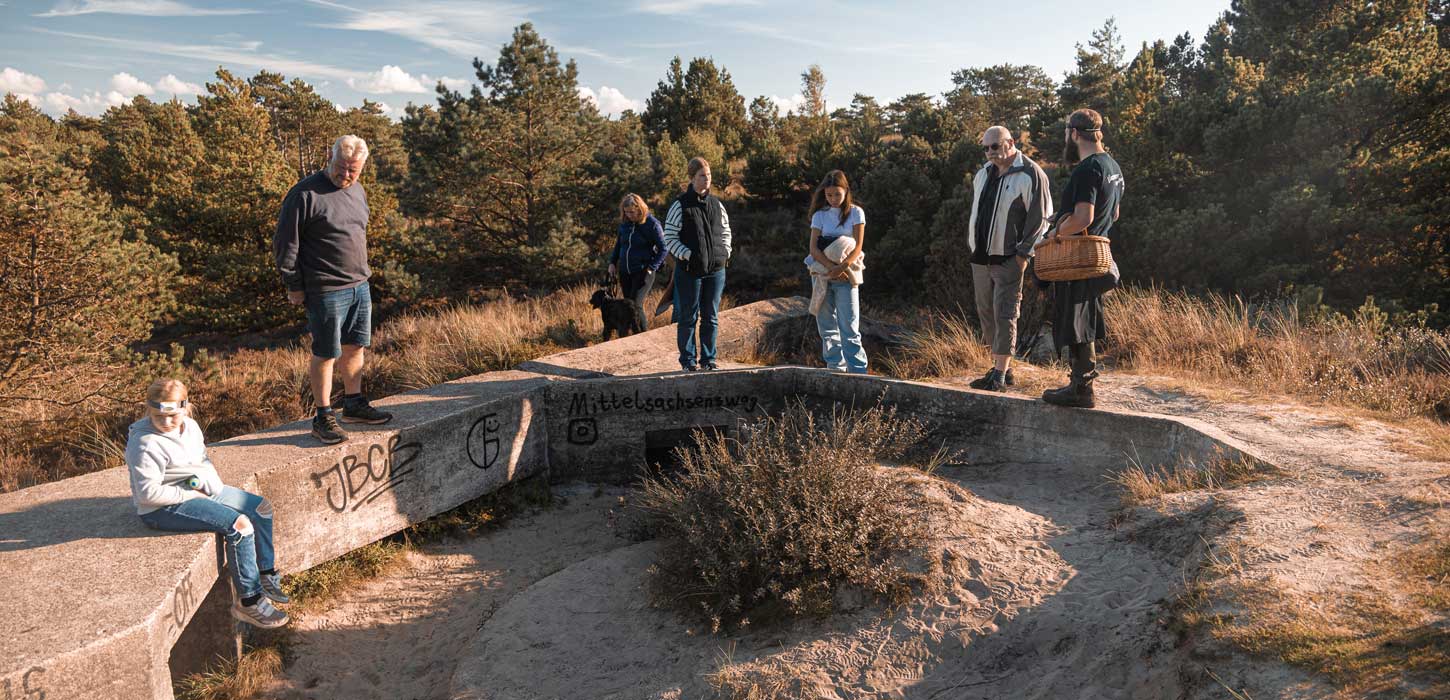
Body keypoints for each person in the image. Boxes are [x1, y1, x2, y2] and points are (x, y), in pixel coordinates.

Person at [126, 379, 290, 629]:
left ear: (185, 408)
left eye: (174, 415)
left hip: (194, 487)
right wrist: (192, 494)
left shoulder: (190, 427)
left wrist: (210, 484)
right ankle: (249, 601)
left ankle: (265, 573)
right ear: (149, 410)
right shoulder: (144, 443)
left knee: (260, 508)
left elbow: (202, 461)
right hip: (162, 508)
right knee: (239, 526)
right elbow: (147, 494)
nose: (167, 422)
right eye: (159, 416)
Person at [274, 134, 393, 444]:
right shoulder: (304, 194)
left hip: (359, 285)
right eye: (341, 168)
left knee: (355, 347)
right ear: (331, 158)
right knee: (326, 353)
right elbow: (286, 245)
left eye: (353, 170)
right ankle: (323, 416)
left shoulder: (358, 191)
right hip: (325, 289)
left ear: (362, 167)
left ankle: (353, 404)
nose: (346, 175)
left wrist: (362, 278)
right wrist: (293, 285)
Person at [1040, 108, 1124, 409]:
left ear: (1074, 133)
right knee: (1085, 316)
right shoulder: (1112, 165)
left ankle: (1081, 389)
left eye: (1067, 132)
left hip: (1077, 256)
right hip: (1097, 256)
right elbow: (1113, 213)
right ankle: (1081, 384)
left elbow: (1083, 217)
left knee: (1074, 319)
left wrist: (1055, 233)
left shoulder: (1087, 169)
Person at [966, 126, 1053, 391]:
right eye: (985, 147)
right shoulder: (983, 173)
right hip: (980, 257)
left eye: (994, 146)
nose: (989, 152)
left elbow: (1041, 219)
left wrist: (1023, 255)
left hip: (1009, 259)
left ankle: (1000, 376)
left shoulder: (1030, 173)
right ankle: (1002, 366)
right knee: (986, 313)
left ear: (1010, 143)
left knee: (1005, 313)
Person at [662, 157, 732, 371]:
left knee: (711, 317)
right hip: (690, 271)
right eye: (702, 176)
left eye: (709, 175)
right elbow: (669, 237)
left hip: (716, 271)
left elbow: (726, 230)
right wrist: (687, 255)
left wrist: (725, 252)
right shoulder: (680, 205)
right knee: (688, 317)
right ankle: (688, 361)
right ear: (692, 178)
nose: (707, 180)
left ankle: (709, 360)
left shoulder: (716, 204)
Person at [804, 170, 869, 374]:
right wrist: (832, 269)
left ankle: (858, 370)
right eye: (829, 195)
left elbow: (858, 246)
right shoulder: (819, 215)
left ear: (846, 191)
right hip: (823, 274)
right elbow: (813, 249)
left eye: (837, 194)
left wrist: (843, 267)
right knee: (826, 326)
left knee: (849, 325)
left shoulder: (856, 213)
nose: (833, 199)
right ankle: (835, 368)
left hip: (847, 276)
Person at [607, 193, 667, 329]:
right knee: (628, 306)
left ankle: (643, 335)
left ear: (639, 209)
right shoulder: (624, 224)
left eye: (632, 212)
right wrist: (612, 263)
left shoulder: (652, 224)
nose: (629, 215)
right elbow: (619, 245)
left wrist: (652, 267)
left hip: (643, 271)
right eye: (626, 212)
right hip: (625, 271)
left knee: (635, 304)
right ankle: (633, 338)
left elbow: (664, 249)